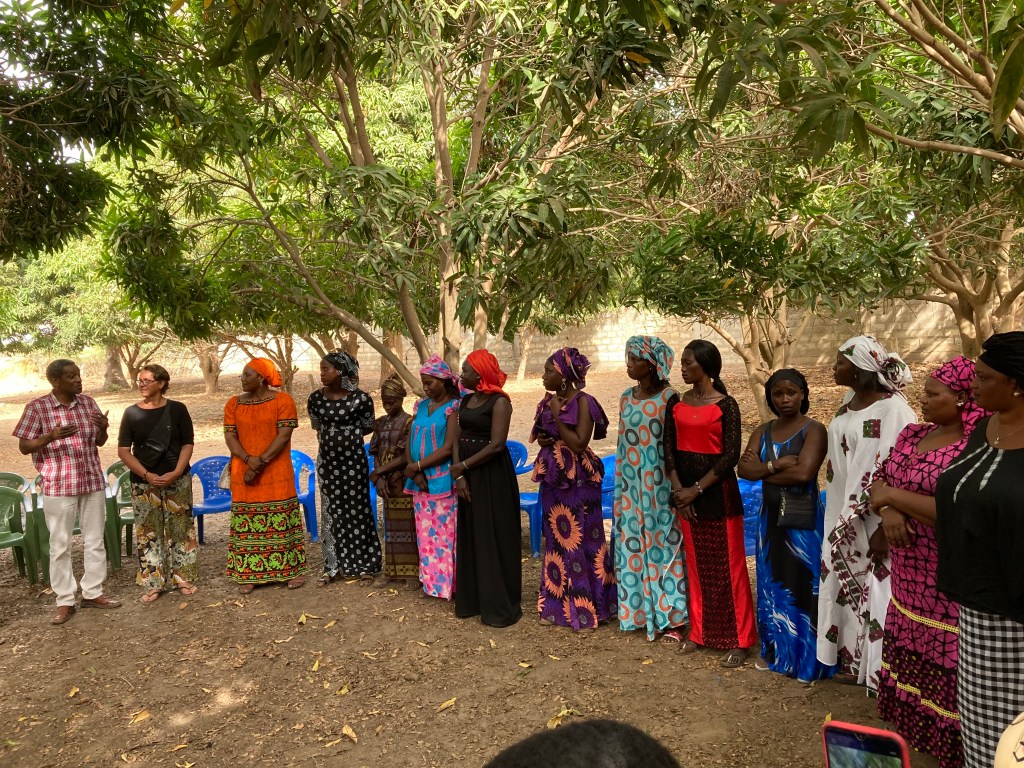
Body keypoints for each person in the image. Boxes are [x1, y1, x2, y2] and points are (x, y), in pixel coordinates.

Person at [870, 356, 983, 768]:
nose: (924, 399)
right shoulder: (914, 434)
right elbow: (878, 481)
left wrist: (893, 498)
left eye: (934, 394)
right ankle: (917, 732)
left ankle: (954, 745)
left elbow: (958, 511)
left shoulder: (976, 446)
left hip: (945, 578)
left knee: (948, 658)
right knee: (911, 646)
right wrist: (888, 510)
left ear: (962, 398)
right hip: (907, 577)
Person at [936, 332, 1024, 768]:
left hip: (1016, 619)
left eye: (985, 378)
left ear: (1017, 385)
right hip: (976, 612)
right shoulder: (983, 428)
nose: (973, 385)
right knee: (983, 736)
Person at [817, 335, 916, 687]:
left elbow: (901, 468)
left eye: (840, 362)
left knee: (877, 592)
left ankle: (878, 670)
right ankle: (851, 660)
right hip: (841, 511)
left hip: (877, 517)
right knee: (841, 585)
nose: (834, 368)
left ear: (860, 369)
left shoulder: (894, 410)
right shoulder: (848, 402)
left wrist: (885, 525)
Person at [738, 368, 834, 681]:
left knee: (803, 584)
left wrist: (763, 471)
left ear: (803, 394)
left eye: (791, 392)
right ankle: (778, 651)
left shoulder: (814, 430)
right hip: (770, 522)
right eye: (777, 394)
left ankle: (806, 657)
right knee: (772, 583)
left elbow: (804, 473)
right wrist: (776, 464)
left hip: (803, 523)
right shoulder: (762, 431)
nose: (785, 399)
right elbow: (744, 470)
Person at [666, 339, 755, 667]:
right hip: (686, 498)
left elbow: (730, 455)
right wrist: (680, 493)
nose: (683, 368)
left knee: (730, 568)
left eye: (689, 363)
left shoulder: (726, 405)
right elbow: (668, 450)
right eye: (682, 363)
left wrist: (696, 490)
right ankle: (700, 633)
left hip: (718, 496)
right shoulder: (676, 402)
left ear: (706, 365)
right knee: (697, 566)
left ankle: (741, 639)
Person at [13, 359, 121, 624]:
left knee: (95, 540)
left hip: (91, 481)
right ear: (55, 381)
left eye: (79, 375)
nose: (78, 380)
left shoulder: (88, 403)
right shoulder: (37, 408)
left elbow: (100, 442)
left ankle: (93, 593)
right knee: (60, 544)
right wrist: (51, 436)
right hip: (59, 485)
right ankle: (65, 600)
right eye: (71, 376)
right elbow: (25, 447)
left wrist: (103, 428)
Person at [531, 347, 615, 630]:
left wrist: (557, 415)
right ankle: (556, 607)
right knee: (556, 541)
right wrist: (544, 439)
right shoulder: (548, 402)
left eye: (548, 371)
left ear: (564, 375)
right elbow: (542, 435)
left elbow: (579, 444)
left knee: (581, 540)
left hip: (578, 481)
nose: (543, 376)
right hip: (554, 479)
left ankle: (589, 608)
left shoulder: (584, 402)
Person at [612, 336, 688, 642]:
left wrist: (674, 488)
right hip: (631, 485)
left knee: (663, 545)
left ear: (652, 363)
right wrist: (621, 487)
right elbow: (621, 444)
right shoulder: (625, 398)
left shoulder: (670, 398)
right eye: (628, 358)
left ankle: (672, 616)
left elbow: (674, 447)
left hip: (658, 484)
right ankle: (638, 613)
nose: (629, 364)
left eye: (635, 359)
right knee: (632, 545)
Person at [116, 364, 199, 605]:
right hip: (143, 484)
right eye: (140, 380)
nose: (142, 384)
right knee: (148, 533)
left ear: (161, 383)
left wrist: (177, 471)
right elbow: (124, 451)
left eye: (147, 380)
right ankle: (153, 584)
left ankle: (183, 579)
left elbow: (187, 443)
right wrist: (146, 475)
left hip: (177, 480)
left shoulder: (178, 409)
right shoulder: (131, 413)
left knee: (181, 529)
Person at [451, 349, 522, 627]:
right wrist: (459, 475)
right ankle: (473, 601)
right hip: (467, 474)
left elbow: (496, 445)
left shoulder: (500, 402)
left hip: (492, 475)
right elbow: (457, 439)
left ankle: (499, 605)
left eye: (466, 370)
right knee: (472, 533)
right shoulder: (466, 400)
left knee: (493, 533)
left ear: (479, 374)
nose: (461, 375)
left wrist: (464, 466)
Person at [224, 357, 307, 593]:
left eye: (247, 374)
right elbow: (230, 436)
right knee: (247, 522)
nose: (242, 379)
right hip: (244, 472)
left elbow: (284, 435)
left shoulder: (283, 401)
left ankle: (290, 571)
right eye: (242, 375)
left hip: (275, 472)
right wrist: (248, 459)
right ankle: (249, 574)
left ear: (261, 378)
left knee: (281, 519)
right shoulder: (234, 404)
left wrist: (258, 463)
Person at [306, 351, 380, 586]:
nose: (321, 373)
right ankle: (332, 566)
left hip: (354, 464)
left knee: (358, 511)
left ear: (339, 371)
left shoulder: (361, 399)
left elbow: (368, 427)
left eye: (325, 369)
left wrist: (346, 436)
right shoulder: (315, 399)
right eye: (321, 369)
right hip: (327, 464)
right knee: (331, 513)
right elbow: (317, 426)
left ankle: (364, 565)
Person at [403, 356, 461, 600]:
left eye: (429, 383)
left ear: (443, 382)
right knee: (426, 534)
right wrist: (414, 471)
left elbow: (448, 447)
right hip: (419, 481)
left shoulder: (453, 408)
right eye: (424, 383)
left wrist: (418, 466)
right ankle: (431, 583)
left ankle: (448, 586)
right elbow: (410, 439)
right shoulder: (420, 406)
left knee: (445, 535)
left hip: (441, 479)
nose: (425, 387)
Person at [369, 374, 414, 583]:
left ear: (401, 399)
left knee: (408, 526)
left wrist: (379, 472)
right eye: (385, 402)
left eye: (392, 402)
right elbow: (376, 452)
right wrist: (379, 478)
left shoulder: (409, 423)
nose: (387, 406)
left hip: (403, 480)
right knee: (391, 528)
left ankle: (412, 574)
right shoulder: (380, 423)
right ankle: (393, 572)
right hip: (386, 483)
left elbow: (405, 456)